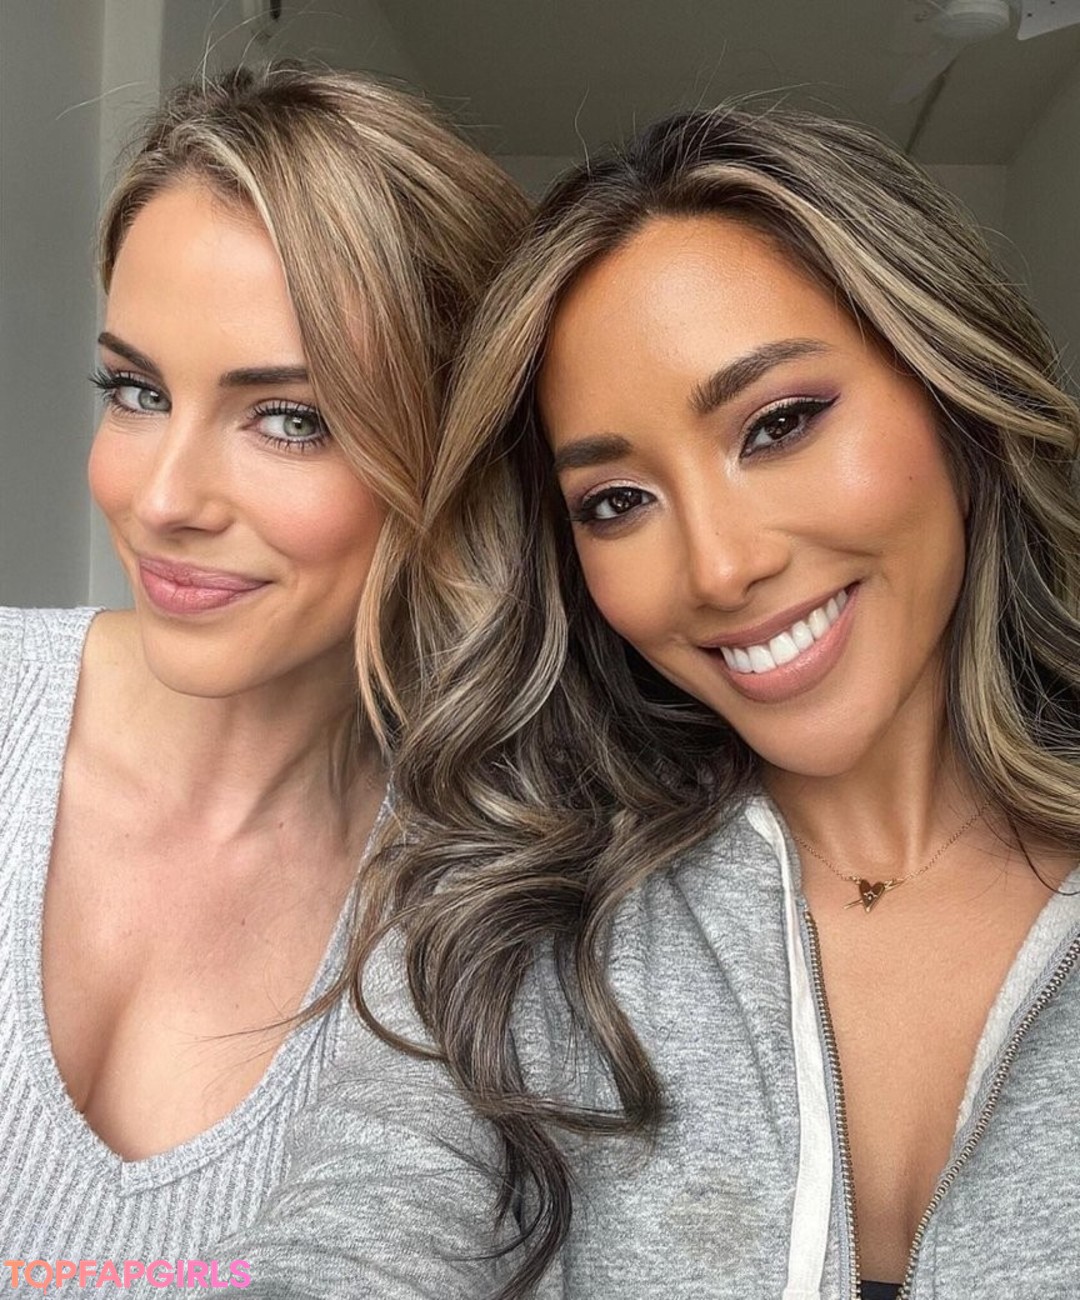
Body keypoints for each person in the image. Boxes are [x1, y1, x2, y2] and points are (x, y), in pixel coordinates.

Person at [218, 107, 1080, 1300]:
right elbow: (355, 1245)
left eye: (778, 425)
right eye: (617, 501)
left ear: (953, 398)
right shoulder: (521, 910)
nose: (720, 569)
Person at [0, 61, 526, 1272]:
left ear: (454, 453)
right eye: (135, 390)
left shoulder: (487, 899)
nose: (163, 498)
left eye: (290, 418)